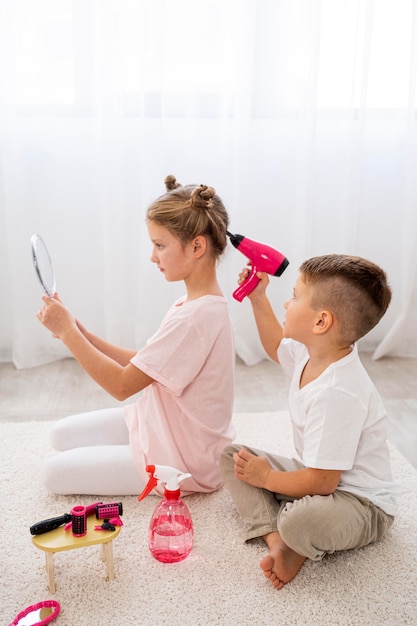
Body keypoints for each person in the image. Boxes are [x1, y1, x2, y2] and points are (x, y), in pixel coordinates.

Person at [37, 175, 235, 496]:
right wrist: (78, 331)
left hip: (182, 458)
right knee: (60, 435)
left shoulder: (194, 318)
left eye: (160, 245)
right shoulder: (196, 304)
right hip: (159, 423)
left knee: (51, 474)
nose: (153, 256)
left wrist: (68, 333)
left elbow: (122, 385)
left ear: (197, 246)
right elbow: (144, 364)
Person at [220, 253, 400, 590]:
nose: (287, 303)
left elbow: (322, 483)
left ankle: (292, 538)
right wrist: (259, 297)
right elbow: (276, 346)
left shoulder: (338, 392)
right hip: (317, 476)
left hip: (361, 503)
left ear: (321, 322)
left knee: (301, 520)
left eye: (295, 296)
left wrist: (269, 477)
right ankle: (279, 543)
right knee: (233, 457)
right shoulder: (313, 351)